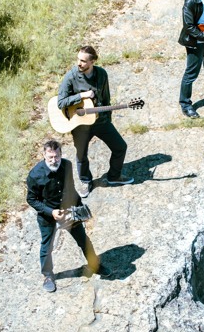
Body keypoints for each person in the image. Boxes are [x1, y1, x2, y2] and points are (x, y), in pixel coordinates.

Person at [26, 140, 109, 293]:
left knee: (83, 240)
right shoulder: (34, 175)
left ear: (61, 154)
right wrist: (51, 211)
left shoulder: (67, 165)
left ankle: (94, 265)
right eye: (50, 157)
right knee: (47, 247)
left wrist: (80, 209)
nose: (53, 160)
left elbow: (70, 188)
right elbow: (31, 199)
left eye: (56, 156)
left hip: (68, 212)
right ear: (43, 155)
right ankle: (48, 276)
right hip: (48, 216)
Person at [58, 45, 133, 197]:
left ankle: (114, 176)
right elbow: (60, 102)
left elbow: (106, 99)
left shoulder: (102, 74)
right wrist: (82, 96)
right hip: (81, 125)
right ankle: (86, 181)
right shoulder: (71, 77)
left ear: (92, 62)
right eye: (78, 59)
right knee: (81, 155)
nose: (79, 63)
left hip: (100, 122)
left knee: (120, 147)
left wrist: (108, 119)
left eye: (83, 61)